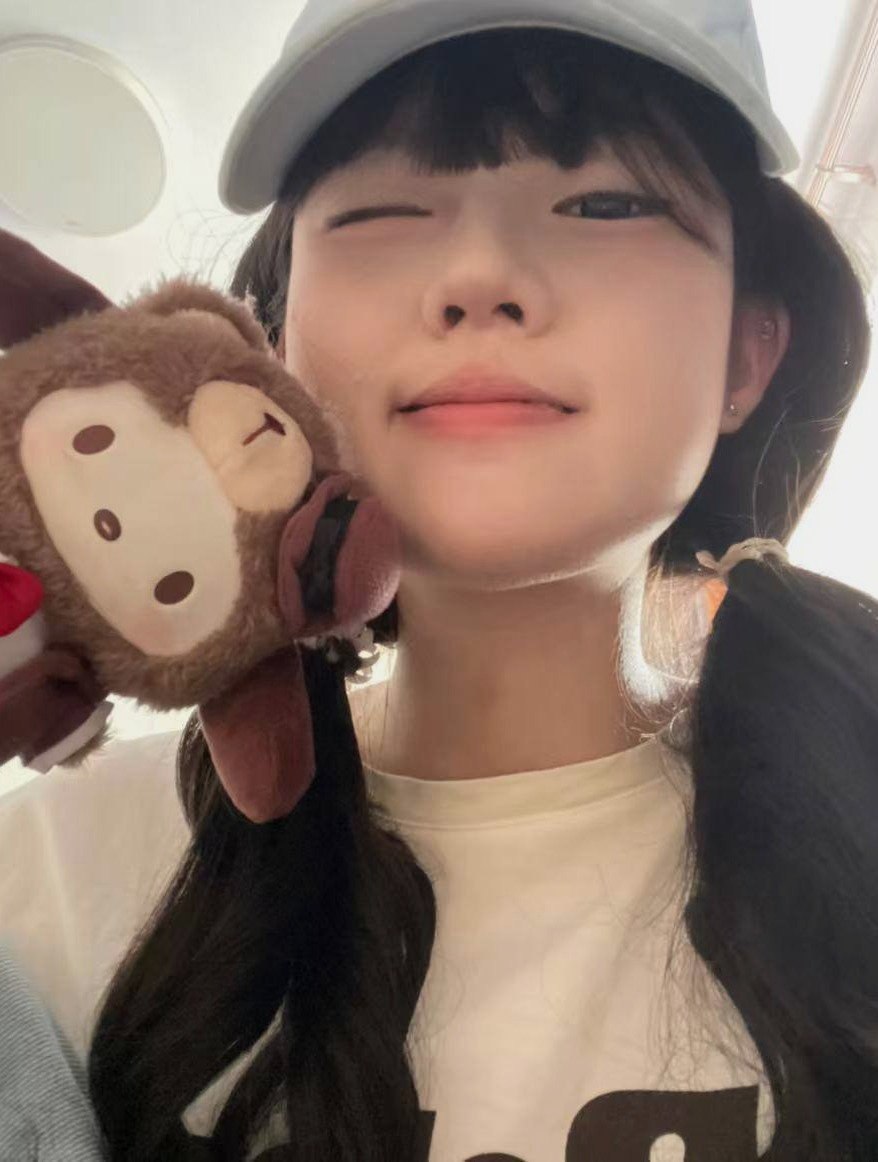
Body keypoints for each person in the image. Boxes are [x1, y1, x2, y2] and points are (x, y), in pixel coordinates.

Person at [0, 1, 875, 1159]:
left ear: (746, 357)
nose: (478, 275)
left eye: (603, 204)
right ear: (271, 350)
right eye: (381, 212)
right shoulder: (44, 874)